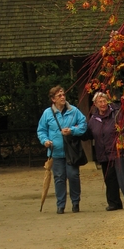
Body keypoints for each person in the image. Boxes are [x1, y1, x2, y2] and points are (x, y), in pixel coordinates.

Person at [37, 85, 87, 214]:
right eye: (59, 95)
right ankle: (60, 205)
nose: (63, 97)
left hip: (71, 151)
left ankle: (75, 202)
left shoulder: (74, 111)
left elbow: (83, 125)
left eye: (63, 94)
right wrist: (45, 141)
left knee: (73, 176)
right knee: (59, 178)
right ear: (53, 99)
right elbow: (41, 130)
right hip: (56, 152)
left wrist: (72, 130)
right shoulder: (47, 113)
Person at [85, 92, 124, 211]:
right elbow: (89, 133)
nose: (103, 104)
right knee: (108, 178)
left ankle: (115, 202)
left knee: (116, 177)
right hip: (102, 152)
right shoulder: (94, 119)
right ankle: (114, 202)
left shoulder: (116, 114)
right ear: (95, 104)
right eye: (100, 102)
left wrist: (123, 140)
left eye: (104, 101)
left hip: (116, 151)